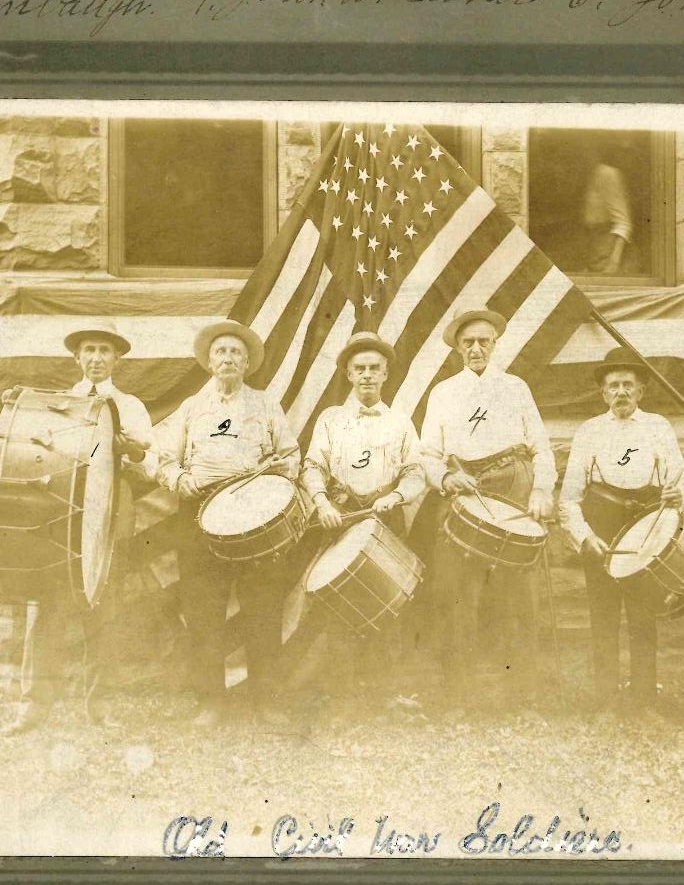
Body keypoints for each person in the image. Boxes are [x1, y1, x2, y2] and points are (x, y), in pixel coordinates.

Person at [4, 322, 156, 735]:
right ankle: (33, 705)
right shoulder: (59, 405)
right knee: (48, 607)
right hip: (64, 516)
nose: (96, 358)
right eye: (88, 350)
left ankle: (100, 705)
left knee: (105, 609)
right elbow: (35, 450)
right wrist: (17, 408)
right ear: (77, 357)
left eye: (104, 351)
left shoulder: (132, 406)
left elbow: (152, 466)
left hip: (111, 514)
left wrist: (130, 449)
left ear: (116, 359)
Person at [154, 319, 300, 721]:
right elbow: (162, 458)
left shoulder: (266, 404)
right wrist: (179, 479)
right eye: (221, 352)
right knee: (203, 608)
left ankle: (265, 700)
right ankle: (210, 700)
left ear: (247, 361)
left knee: (264, 604)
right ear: (209, 362)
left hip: (254, 515)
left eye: (236, 352)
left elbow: (290, 457)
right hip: (198, 512)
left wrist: (269, 479)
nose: (228, 358)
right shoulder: (191, 408)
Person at [414, 306, 556, 693]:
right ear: (458, 348)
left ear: (495, 345)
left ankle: (521, 689)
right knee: (455, 590)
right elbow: (426, 454)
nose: (476, 349)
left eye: (483, 342)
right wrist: (445, 477)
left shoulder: (515, 388)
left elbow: (541, 446)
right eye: (468, 343)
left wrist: (542, 489)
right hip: (463, 493)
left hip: (513, 491)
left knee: (517, 592)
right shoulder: (443, 393)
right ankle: (459, 690)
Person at [298, 331, 426, 703]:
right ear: (348, 375)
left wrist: (398, 496)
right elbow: (312, 466)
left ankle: (385, 693)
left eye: (375, 368)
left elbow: (417, 470)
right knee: (339, 604)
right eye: (360, 369)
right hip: (341, 517)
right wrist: (322, 503)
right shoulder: (330, 419)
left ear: (386, 374)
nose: (367, 375)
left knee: (389, 600)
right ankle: (341, 694)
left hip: (386, 517)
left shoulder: (400, 422)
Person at [559, 349, 684, 705]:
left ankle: (644, 700)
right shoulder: (589, 432)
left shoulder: (658, 428)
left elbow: (679, 482)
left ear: (641, 391)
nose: (621, 392)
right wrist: (585, 537)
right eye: (613, 386)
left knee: (642, 616)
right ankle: (606, 700)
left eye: (628, 385)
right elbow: (569, 497)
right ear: (603, 393)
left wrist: (678, 495)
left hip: (643, 529)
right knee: (603, 617)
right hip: (601, 528)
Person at [581, 155, 634, 274]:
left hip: (610, 251)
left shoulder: (606, 174)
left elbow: (624, 223)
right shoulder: (585, 175)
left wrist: (613, 262)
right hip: (593, 249)